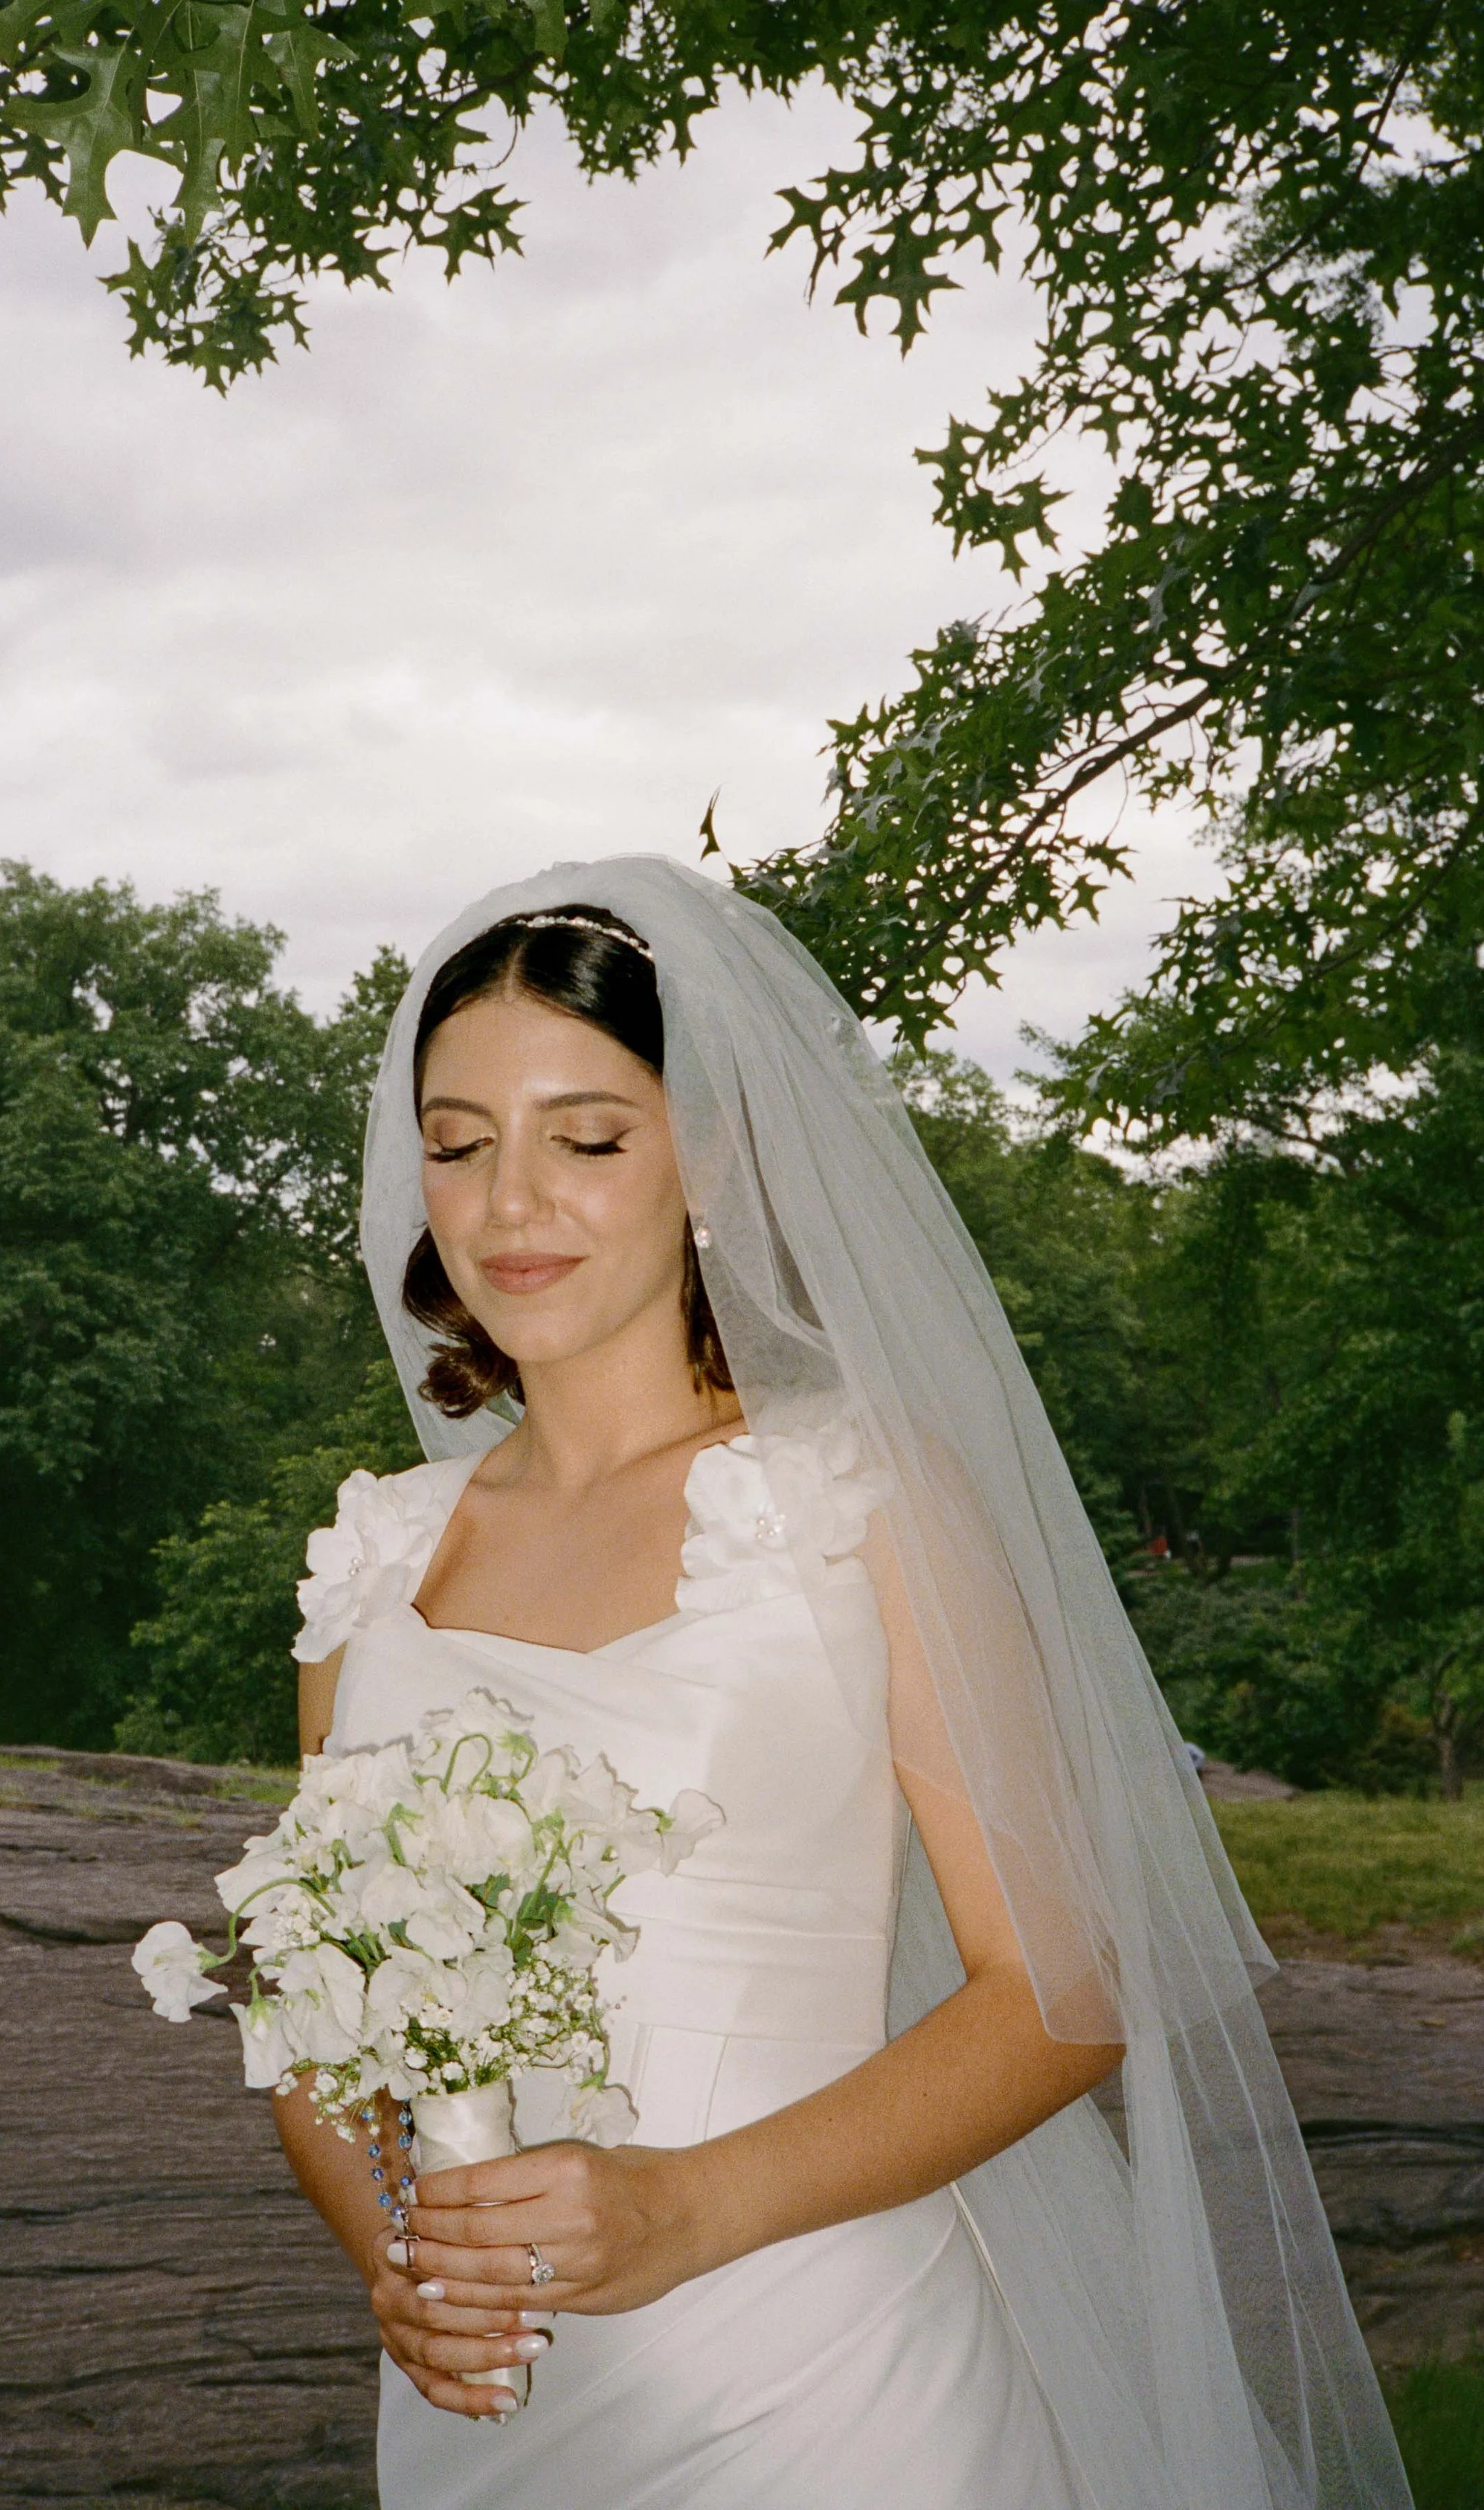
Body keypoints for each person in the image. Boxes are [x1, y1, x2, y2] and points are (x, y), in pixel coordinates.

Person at [272, 858, 1409, 2510]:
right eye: (459, 1144)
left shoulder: (856, 1497)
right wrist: (401, 2252)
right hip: (489, 2409)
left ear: (708, 1158)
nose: (509, 1204)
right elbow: (321, 2034)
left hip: (826, 2386)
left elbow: (1063, 1985)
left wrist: (681, 2210)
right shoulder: (370, 1565)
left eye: (586, 1138)